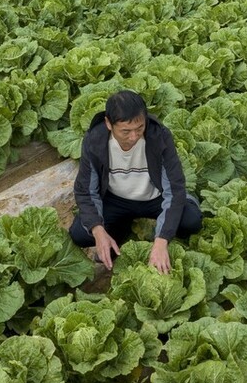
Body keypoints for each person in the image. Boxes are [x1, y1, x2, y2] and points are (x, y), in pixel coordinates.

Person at [70, 90, 203, 274]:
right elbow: (86, 191)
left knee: (191, 220)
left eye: (139, 128)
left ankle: (182, 210)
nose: (134, 137)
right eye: (126, 131)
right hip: (116, 199)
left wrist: (161, 240)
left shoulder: (159, 137)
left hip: (154, 196)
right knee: (80, 233)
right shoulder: (95, 141)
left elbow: (174, 188)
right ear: (109, 123)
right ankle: (119, 231)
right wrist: (98, 231)